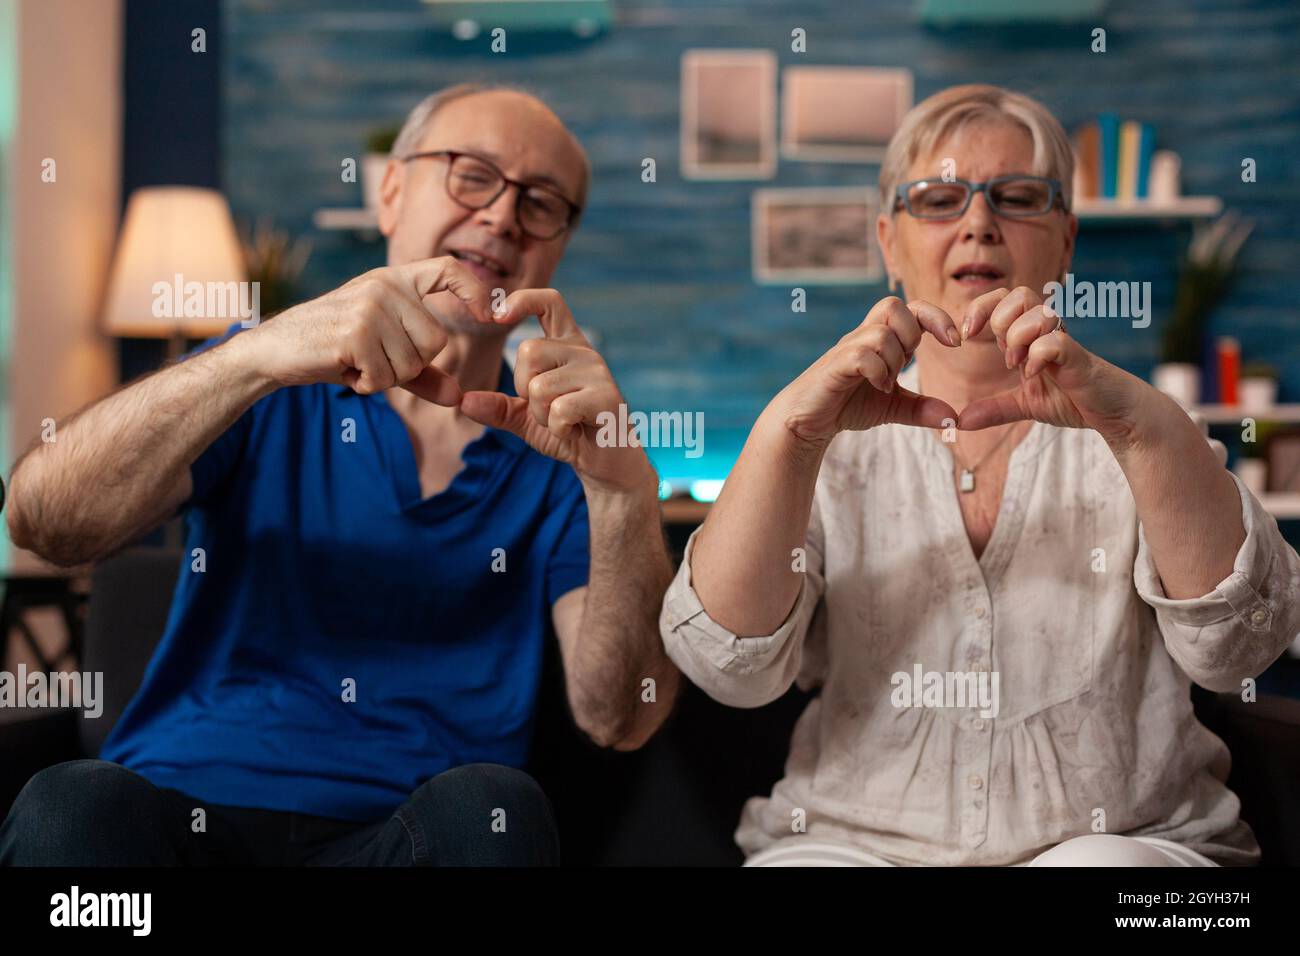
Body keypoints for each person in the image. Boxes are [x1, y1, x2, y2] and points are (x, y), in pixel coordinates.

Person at [2, 84, 680, 866]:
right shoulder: (261, 381)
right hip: (179, 825)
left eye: (541, 202)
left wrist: (624, 490)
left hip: (406, 839)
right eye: (471, 174)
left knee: (495, 810)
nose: (501, 216)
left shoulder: (562, 457)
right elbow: (42, 521)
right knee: (70, 809)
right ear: (390, 191)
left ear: (558, 244)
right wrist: (255, 356)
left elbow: (619, 717)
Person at [660, 84, 1299, 867]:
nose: (977, 222)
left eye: (1018, 196)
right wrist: (788, 435)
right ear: (889, 242)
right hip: (850, 842)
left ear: (1065, 240)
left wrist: (1142, 429)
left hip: (1123, 840)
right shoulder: (824, 445)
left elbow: (1242, 649)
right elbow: (730, 668)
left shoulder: (1142, 427)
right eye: (938, 199)